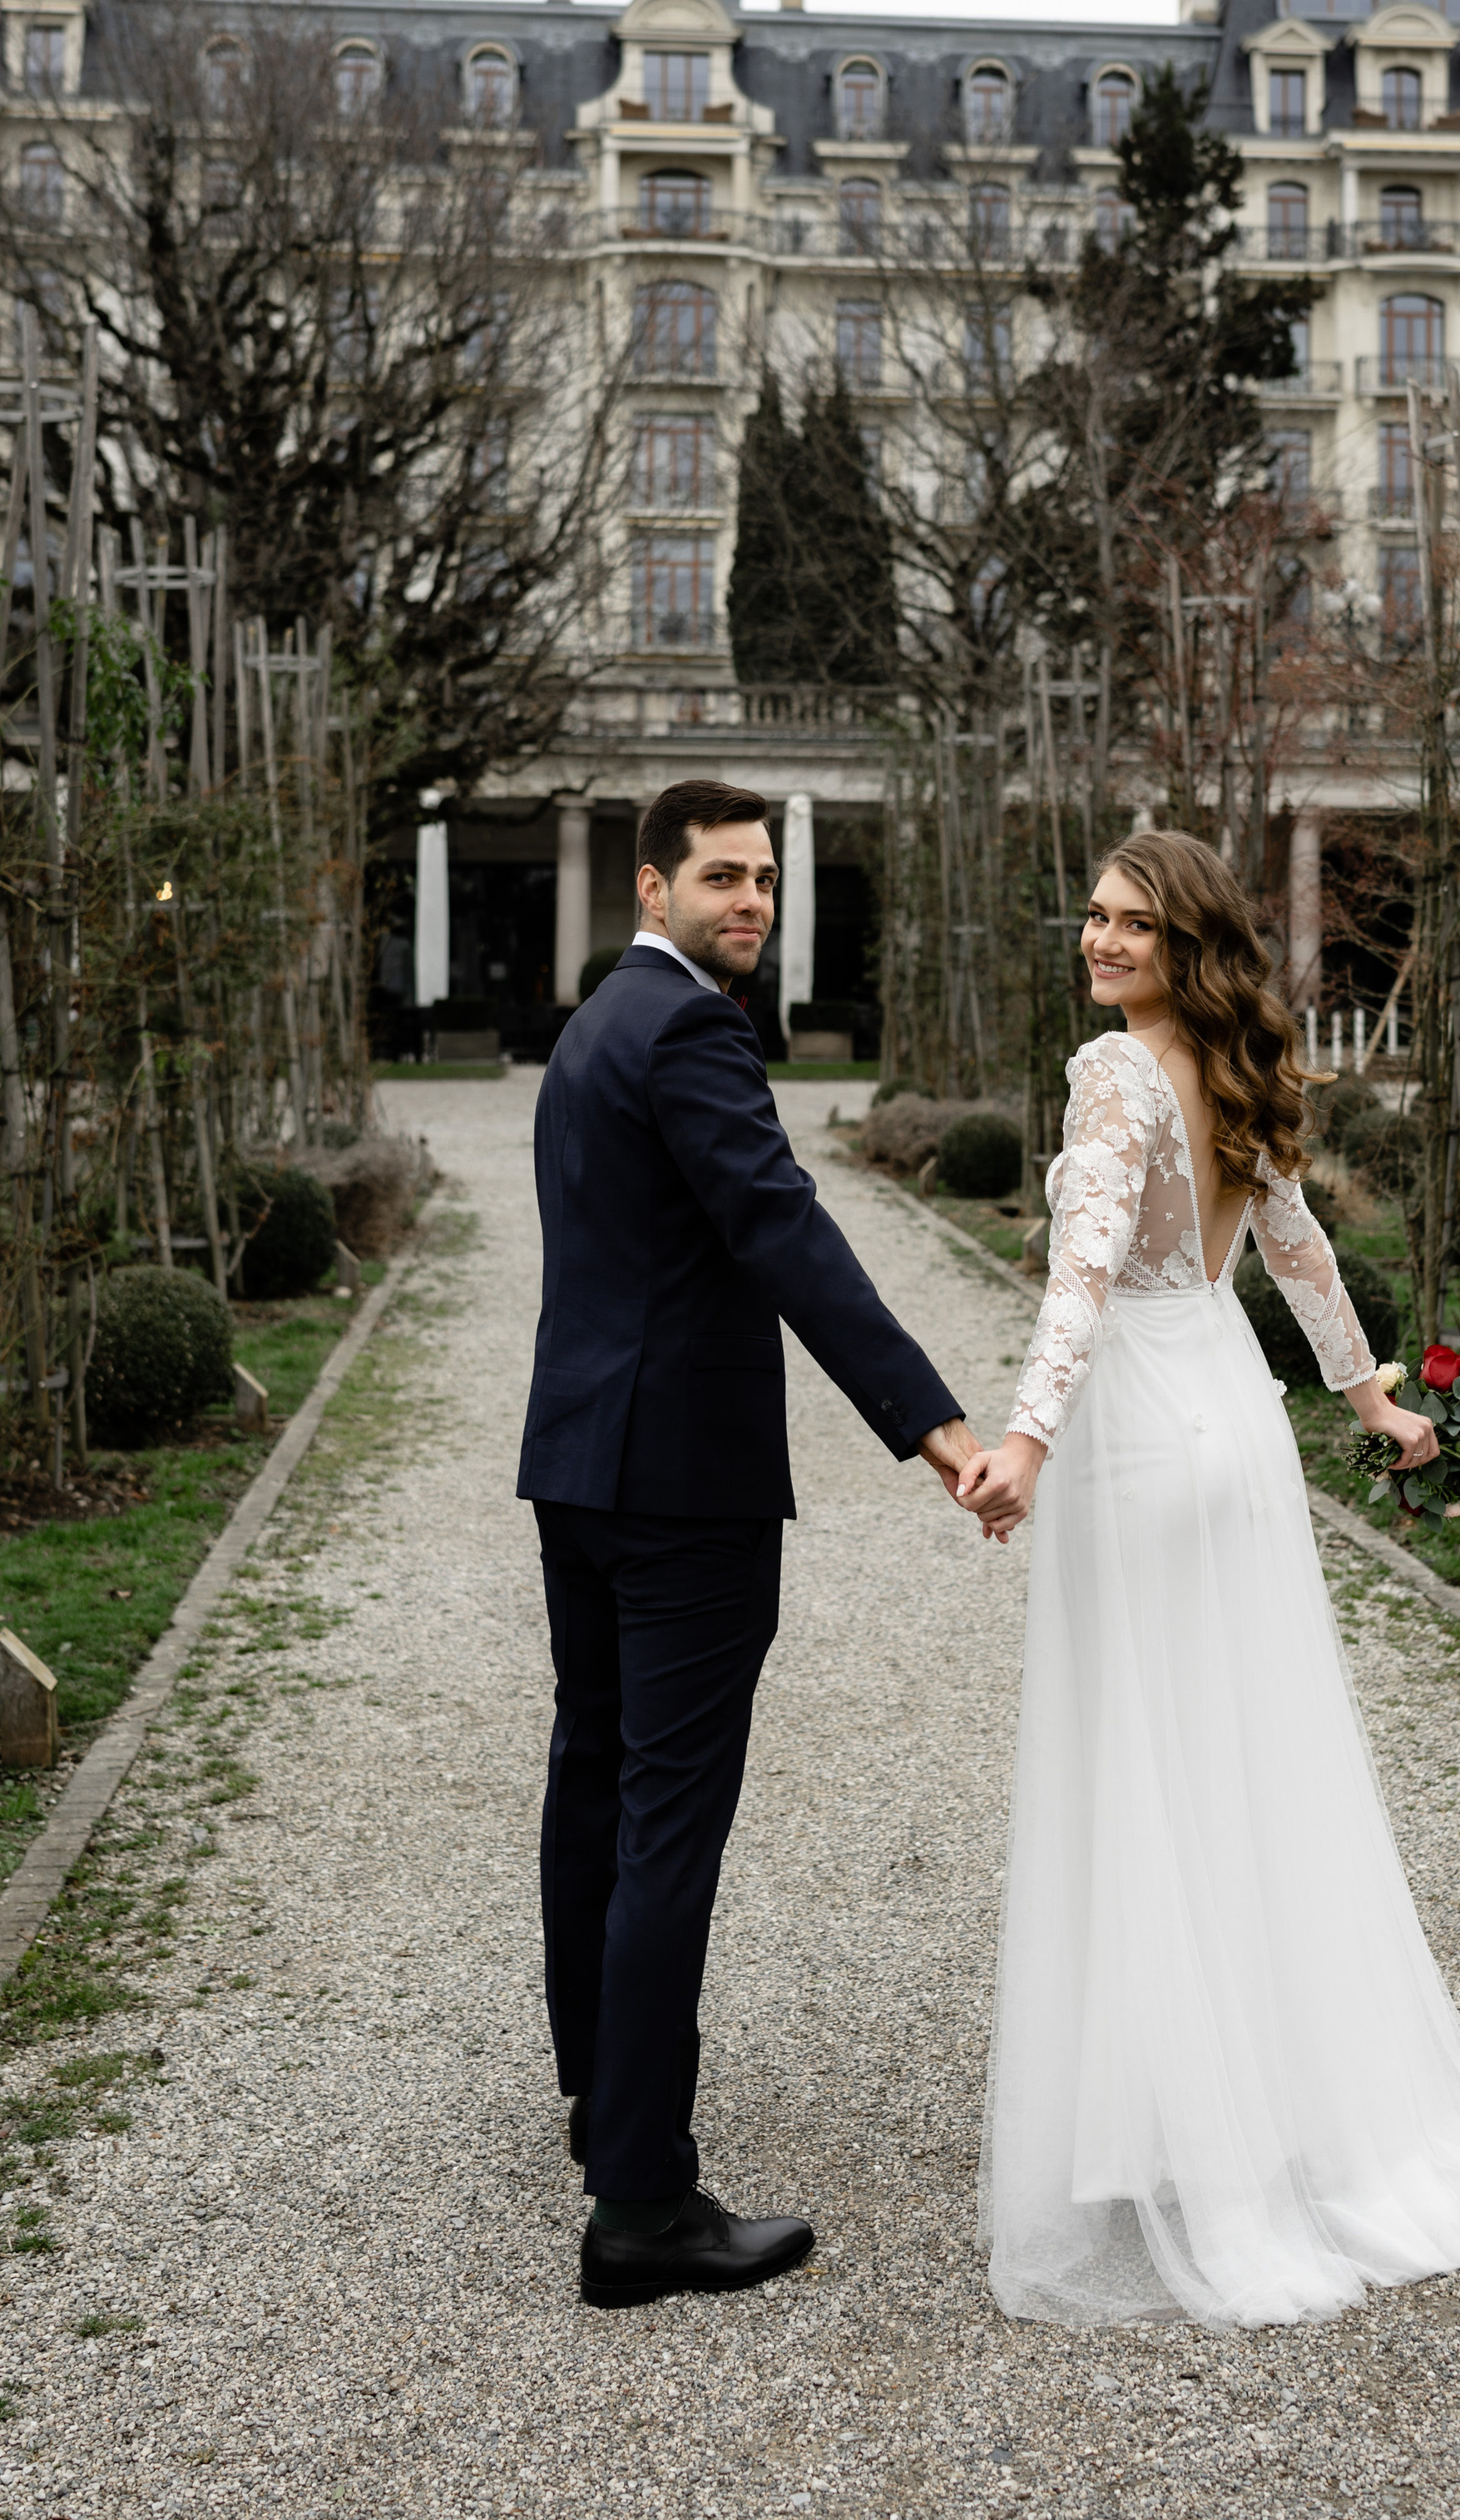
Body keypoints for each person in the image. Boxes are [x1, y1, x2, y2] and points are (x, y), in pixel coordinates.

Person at [954, 830, 1460, 2328]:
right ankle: (1266, 2098)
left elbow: (1085, 1273)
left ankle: (1182, 2130)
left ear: (1187, 945)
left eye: (1134, 926)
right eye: (1095, 917)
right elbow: (1299, 1255)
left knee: (1143, 1766)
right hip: (1232, 1413)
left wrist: (1025, 1439)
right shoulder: (1236, 1069)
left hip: (1140, 1436)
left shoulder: (1116, 1073)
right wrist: (1374, 1404)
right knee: (1247, 1760)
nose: (1101, 942)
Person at [519, 779, 980, 2310]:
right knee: (666, 1822)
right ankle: (643, 2207)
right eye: (722, 877)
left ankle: (607, 2098)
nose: (753, 903)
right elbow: (784, 1229)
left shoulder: (595, 1024)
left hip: (581, 1467)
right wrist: (933, 1423)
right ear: (652, 888)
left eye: (766, 878)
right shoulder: (690, 1032)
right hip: (681, 1492)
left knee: (597, 1782)